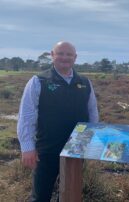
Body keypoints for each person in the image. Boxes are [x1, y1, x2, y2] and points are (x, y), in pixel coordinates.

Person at [17, 41, 99, 202]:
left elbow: (92, 113)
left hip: (77, 147)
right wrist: (27, 147)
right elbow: (26, 115)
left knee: (71, 192)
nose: (65, 57)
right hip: (47, 149)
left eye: (69, 54)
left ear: (75, 58)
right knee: (41, 195)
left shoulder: (84, 82)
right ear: (52, 55)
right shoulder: (38, 81)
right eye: (60, 53)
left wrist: (92, 142)